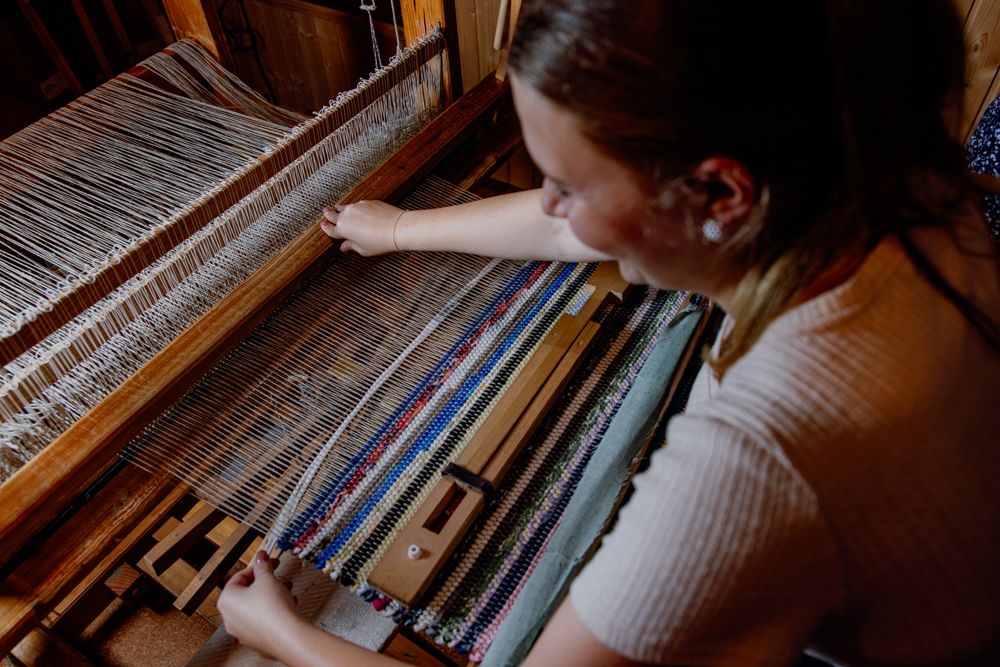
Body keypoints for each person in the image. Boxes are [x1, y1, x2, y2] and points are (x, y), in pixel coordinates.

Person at [217, 1, 1000, 665]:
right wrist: (400, 230)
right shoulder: (882, 162)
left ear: (722, 192)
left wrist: (285, 634)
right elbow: (583, 229)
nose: (553, 204)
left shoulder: (756, 459)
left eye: (563, 183)